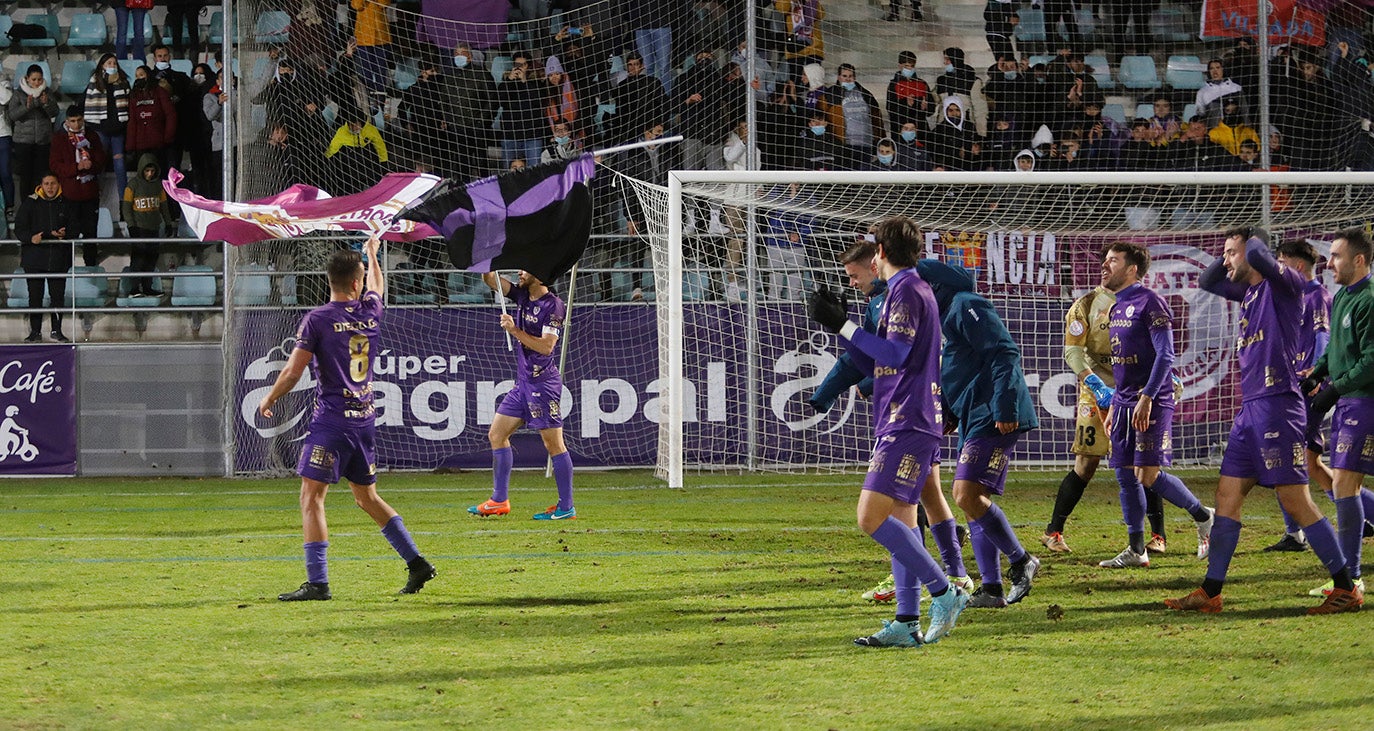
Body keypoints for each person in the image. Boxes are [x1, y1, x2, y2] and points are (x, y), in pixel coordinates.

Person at [1166, 228, 1358, 614]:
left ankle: (1345, 585)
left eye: (1231, 253)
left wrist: (1250, 244)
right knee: (1226, 497)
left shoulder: (1287, 284)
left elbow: (1256, 248)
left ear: (1254, 256)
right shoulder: (1249, 291)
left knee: (1295, 499)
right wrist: (1230, 256)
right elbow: (1208, 279)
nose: (1226, 260)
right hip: (1250, 408)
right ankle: (1211, 590)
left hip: (1278, 405)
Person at [807, 216, 970, 648]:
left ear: (880, 252)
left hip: (910, 419)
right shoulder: (907, 291)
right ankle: (904, 621)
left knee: (870, 517)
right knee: (902, 519)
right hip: (902, 415)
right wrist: (838, 325)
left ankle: (945, 591)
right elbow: (873, 362)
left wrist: (843, 325)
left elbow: (894, 355)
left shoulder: (906, 290)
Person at [258, 235, 437, 601]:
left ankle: (318, 582)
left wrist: (270, 396)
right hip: (365, 418)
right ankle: (417, 562)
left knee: (311, 497)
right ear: (356, 282)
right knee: (366, 498)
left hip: (333, 421)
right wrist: (372, 252)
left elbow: (293, 372)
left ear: (330, 280)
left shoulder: (318, 320)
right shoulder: (370, 310)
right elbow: (378, 287)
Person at [917, 258, 1040, 608]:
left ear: (934, 286)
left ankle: (1021, 560)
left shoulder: (966, 305)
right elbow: (964, 366)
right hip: (973, 413)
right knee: (973, 504)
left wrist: (1004, 405)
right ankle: (992, 588)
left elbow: (1004, 353)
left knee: (965, 494)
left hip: (992, 413)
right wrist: (953, 411)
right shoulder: (945, 313)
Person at [1098, 241, 1216, 569]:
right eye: (1105, 260)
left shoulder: (1151, 302)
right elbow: (1124, 362)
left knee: (1148, 475)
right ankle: (1137, 550)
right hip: (1123, 402)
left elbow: (1166, 354)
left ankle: (1204, 516)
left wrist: (1147, 397)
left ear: (1132, 269)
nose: (1105, 266)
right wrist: (1116, 407)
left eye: (1113, 260)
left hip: (1153, 399)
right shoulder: (1115, 306)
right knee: (1124, 473)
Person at [1301, 228, 1374, 603]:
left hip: (1365, 401)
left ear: (1358, 260)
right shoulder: (1344, 295)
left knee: (1344, 483)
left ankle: (1351, 579)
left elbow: (1371, 361)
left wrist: (1335, 388)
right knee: (1346, 482)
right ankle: (1350, 578)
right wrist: (1317, 373)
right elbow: (1336, 351)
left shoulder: (1370, 299)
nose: (1329, 264)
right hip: (1350, 399)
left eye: (1336, 257)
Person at [468, 270, 576, 520]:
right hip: (522, 385)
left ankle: (566, 507)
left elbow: (547, 347)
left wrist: (514, 330)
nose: (519, 272)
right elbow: (491, 280)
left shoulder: (554, 305)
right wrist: (488, 263)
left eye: (525, 269)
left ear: (539, 276)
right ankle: (498, 500)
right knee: (496, 434)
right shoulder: (522, 295)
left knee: (554, 444)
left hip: (543, 384)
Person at [13, 174, 72, 343]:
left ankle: (57, 330)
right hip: (34, 259)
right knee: (35, 297)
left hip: (58, 259)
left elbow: (75, 226)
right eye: (46, 183)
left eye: (53, 183)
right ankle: (35, 332)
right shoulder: (30, 203)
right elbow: (19, 229)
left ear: (58, 184)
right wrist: (31, 238)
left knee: (57, 297)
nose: (50, 187)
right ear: (41, 185)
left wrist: (66, 233)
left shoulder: (65, 203)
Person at [48, 107, 107, 268]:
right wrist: (76, 167)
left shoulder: (92, 136)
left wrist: (91, 165)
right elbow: (55, 165)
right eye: (72, 121)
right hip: (69, 196)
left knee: (90, 236)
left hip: (90, 195)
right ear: (66, 121)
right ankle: (65, 271)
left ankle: (91, 270)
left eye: (79, 120)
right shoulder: (59, 138)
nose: (76, 124)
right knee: (69, 237)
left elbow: (101, 160)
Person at [121, 154, 173, 297]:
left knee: (151, 259)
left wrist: (168, 223)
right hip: (139, 228)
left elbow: (164, 206)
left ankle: (147, 287)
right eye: (147, 171)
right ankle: (134, 289)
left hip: (154, 227)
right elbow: (126, 207)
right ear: (141, 170)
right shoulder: (132, 185)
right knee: (138, 259)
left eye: (152, 171)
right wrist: (131, 226)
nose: (150, 174)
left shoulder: (158, 186)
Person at [9, 65, 60, 199]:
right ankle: (26, 207)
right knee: (25, 176)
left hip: (43, 141)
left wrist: (46, 104)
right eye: (34, 79)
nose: (37, 82)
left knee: (41, 175)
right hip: (23, 142)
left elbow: (55, 112)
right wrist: (27, 107)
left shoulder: (47, 93)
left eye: (39, 79)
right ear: (27, 79)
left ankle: (40, 206)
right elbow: (12, 115)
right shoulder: (18, 93)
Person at [84, 54, 133, 193]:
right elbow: (86, 102)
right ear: (102, 66)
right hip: (100, 129)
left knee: (119, 164)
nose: (112, 66)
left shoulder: (123, 82)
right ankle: (94, 194)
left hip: (118, 129)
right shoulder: (94, 82)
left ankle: (124, 199)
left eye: (114, 63)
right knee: (99, 163)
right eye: (108, 63)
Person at [125, 66, 178, 171]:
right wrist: (130, 145)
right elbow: (132, 121)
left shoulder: (160, 92)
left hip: (158, 142)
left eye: (141, 75)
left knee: (159, 171)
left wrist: (167, 137)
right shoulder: (134, 95)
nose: (139, 78)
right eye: (136, 76)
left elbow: (170, 115)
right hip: (140, 143)